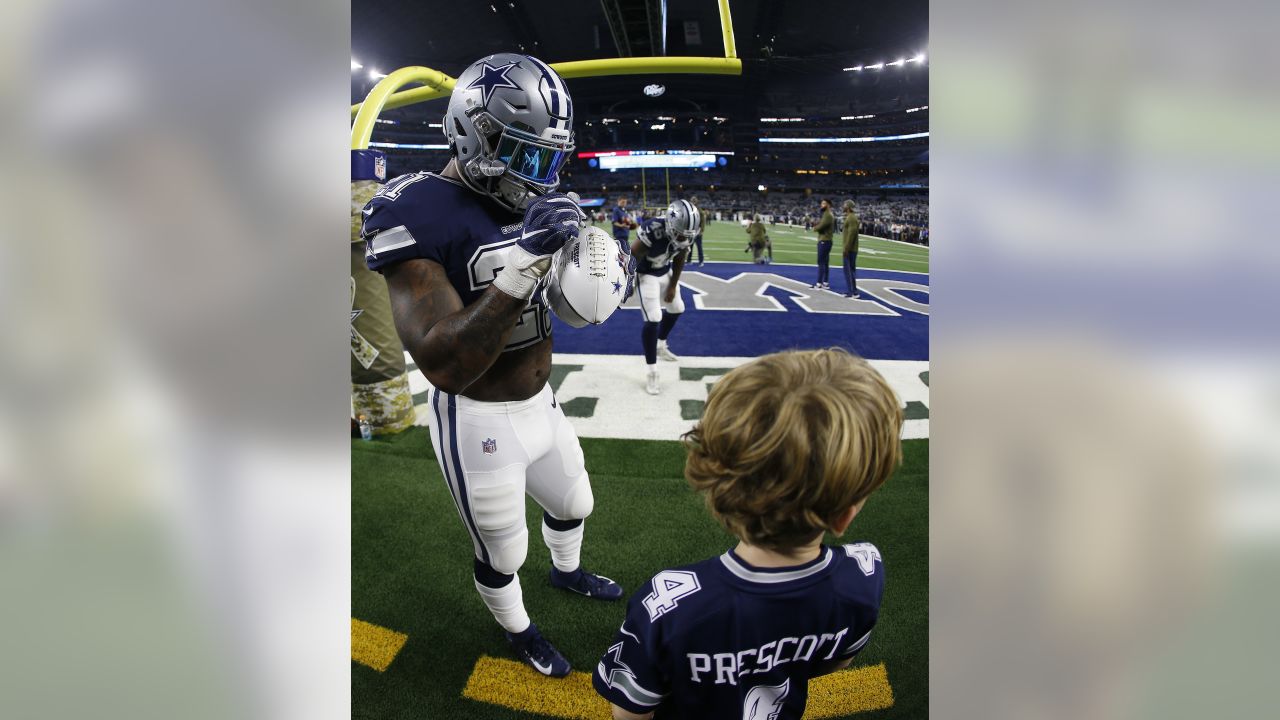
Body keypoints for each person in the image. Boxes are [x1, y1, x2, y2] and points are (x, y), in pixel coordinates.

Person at [361, 53, 624, 680]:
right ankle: (519, 628)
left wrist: (602, 274)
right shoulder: (415, 209)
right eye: (526, 155)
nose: (541, 176)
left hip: (543, 401)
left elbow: (566, 297)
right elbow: (444, 362)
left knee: (575, 502)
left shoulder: (539, 192)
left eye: (550, 159)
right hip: (478, 416)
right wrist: (523, 265)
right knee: (504, 549)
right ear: (474, 131)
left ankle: (568, 573)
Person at [593, 349, 903, 719]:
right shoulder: (864, 576)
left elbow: (630, 713)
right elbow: (836, 662)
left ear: (721, 488)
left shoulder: (669, 605)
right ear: (844, 516)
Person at [633, 199, 701, 395]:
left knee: (677, 307)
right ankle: (652, 371)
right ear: (671, 224)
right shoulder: (653, 229)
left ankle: (661, 344)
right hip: (645, 273)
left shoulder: (686, 234)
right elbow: (632, 255)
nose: (682, 237)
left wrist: (673, 285)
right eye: (679, 233)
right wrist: (629, 282)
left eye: (686, 234)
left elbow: (680, 257)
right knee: (654, 317)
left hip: (664, 271)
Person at [812, 199, 835, 290]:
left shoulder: (827, 215)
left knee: (821, 262)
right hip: (826, 240)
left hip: (824, 241)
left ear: (829, 205)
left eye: (824, 203)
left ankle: (819, 283)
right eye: (821, 203)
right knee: (825, 263)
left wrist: (815, 227)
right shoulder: (827, 214)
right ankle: (825, 282)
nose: (822, 205)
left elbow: (821, 226)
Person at [841, 199, 861, 298]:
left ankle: (852, 291)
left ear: (848, 207)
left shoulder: (851, 218)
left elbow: (851, 234)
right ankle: (853, 291)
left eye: (845, 205)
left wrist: (846, 248)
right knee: (851, 270)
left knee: (848, 271)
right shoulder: (851, 217)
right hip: (851, 249)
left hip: (850, 249)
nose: (843, 206)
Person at [689, 195, 709, 266]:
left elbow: (703, 222)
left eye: (694, 201)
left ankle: (701, 261)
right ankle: (689, 260)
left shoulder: (699, 211)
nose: (693, 202)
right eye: (692, 201)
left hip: (697, 231)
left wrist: (701, 231)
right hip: (691, 231)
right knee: (689, 247)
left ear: (696, 202)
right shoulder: (690, 210)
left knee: (699, 247)